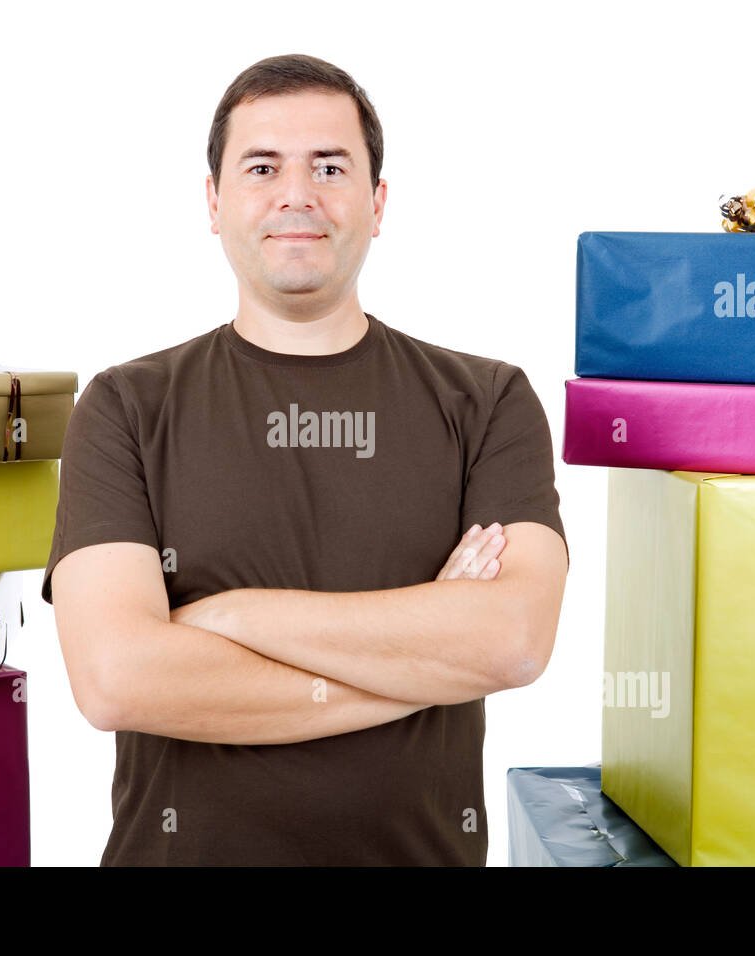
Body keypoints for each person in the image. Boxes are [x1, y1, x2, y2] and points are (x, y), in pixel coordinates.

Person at [42, 53, 569, 866]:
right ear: (214, 202)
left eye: (330, 167)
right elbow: (116, 680)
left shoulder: (488, 401)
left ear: (377, 202)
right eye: (262, 167)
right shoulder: (124, 407)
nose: (297, 194)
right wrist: (426, 658)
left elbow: (514, 640)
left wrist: (229, 616)